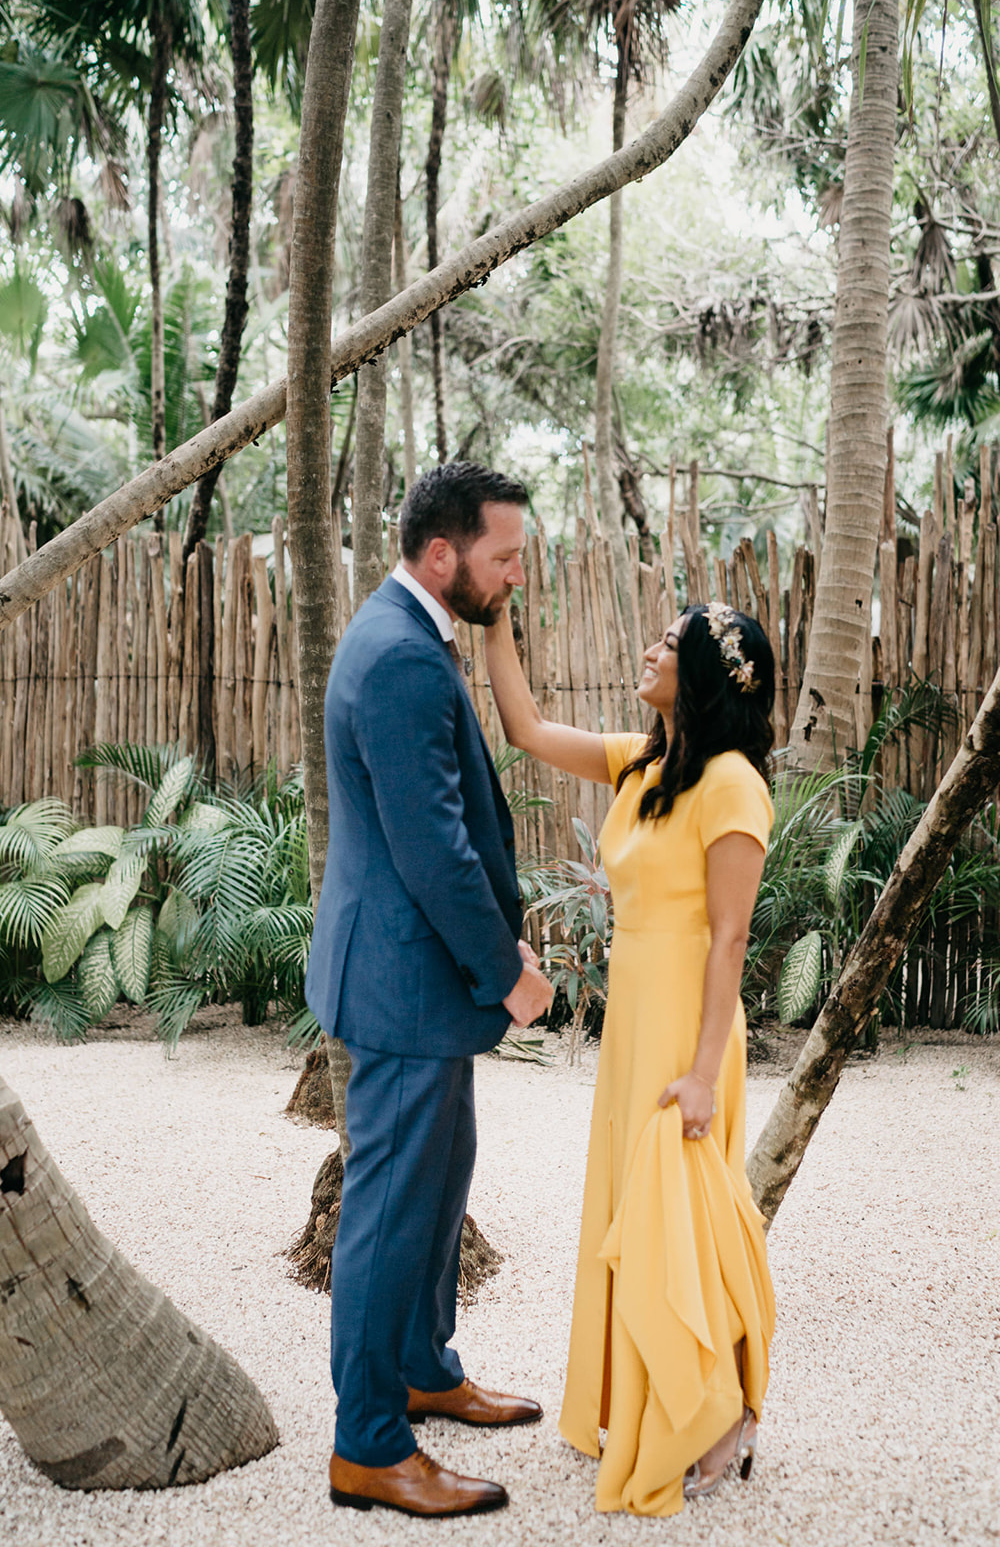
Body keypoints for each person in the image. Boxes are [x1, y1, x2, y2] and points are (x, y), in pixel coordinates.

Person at [484, 596, 777, 1516]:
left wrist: (700, 1072)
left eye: (667, 643)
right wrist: (493, 621)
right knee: (636, 1210)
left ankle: (722, 1413)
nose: (647, 650)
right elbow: (527, 728)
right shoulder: (643, 763)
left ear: (698, 675)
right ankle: (648, 1400)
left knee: (686, 1216)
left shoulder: (731, 783)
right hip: (632, 1024)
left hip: (689, 1028)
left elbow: (729, 938)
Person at [305, 461, 554, 1518]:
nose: (515, 578)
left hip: (408, 976)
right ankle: (366, 1442)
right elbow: (436, 851)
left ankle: (421, 1366)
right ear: (442, 554)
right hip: (408, 979)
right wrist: (510, 970)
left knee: (441, 1172)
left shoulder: (402, 631)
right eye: (504, 558)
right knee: (389, 1207)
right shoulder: (402, 658)